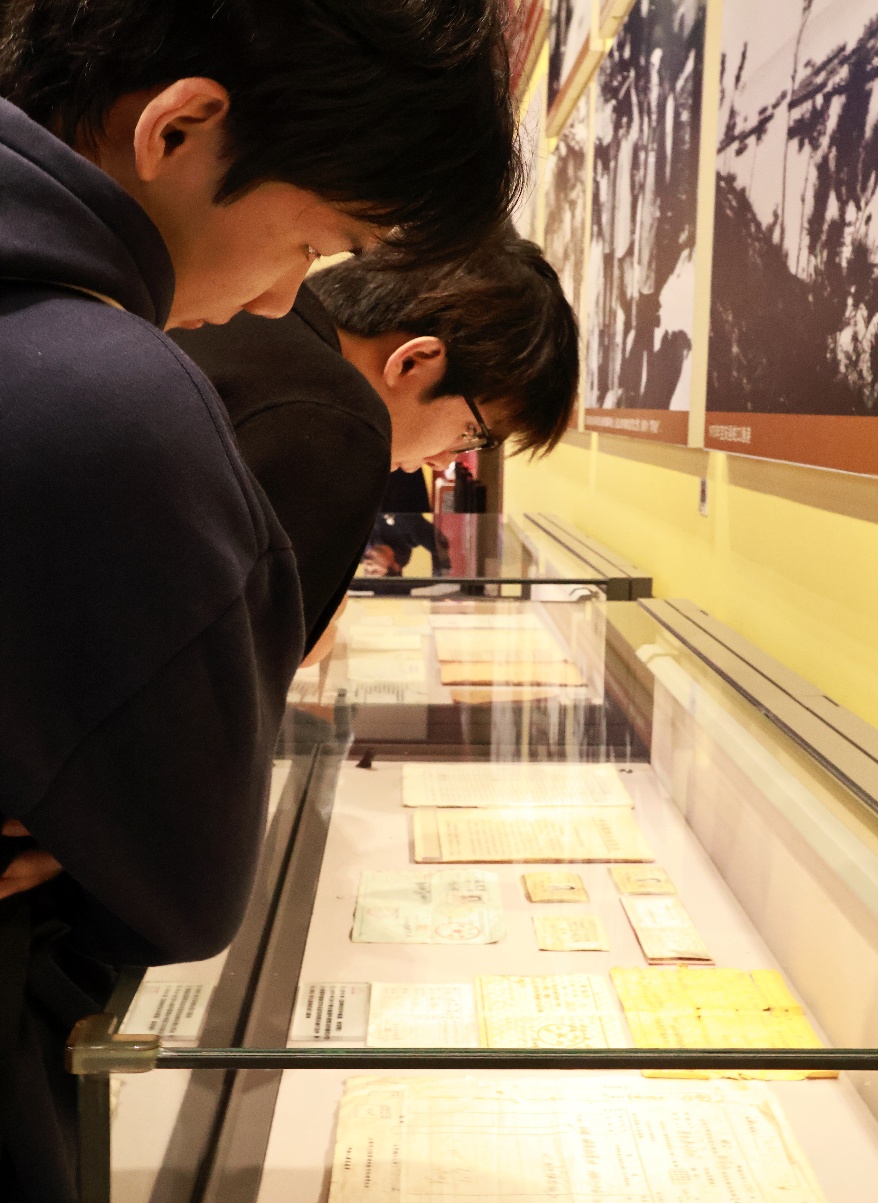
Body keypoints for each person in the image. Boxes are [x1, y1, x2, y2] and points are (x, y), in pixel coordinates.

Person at [0, 1, 518, 1198]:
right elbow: (186, 888)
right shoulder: (114, 403)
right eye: (316, 244)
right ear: (180, 128)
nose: (288, 302)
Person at [173, 230, 580, 657]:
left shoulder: (237, 318)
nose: (444, 461)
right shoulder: (337, 428)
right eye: (471, 432)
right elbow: (277, 655)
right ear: (412, 362)